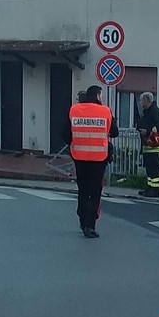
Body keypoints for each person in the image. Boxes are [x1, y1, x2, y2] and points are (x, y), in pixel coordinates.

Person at [67, 85, 118, 238]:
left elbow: (64, 132)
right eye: (101, 95)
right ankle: (90, 225)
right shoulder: (105, 111)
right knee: (95, 192)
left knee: (83, 190)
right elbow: (114, 132)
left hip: (79, 157)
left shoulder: (74, 110)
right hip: (98, 159)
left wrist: (74, 142)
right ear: (97, 95)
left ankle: (82, 219)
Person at [134, 91, 159, 198]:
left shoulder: (155, 112)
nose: (140, 102)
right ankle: (149, 188)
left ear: (146, 100)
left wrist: (147, 132)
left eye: (141, 100)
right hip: (147, 146)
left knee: (154, 170)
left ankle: (155, 190)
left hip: (154, 147)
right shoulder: (147, 112)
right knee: (149, 170)